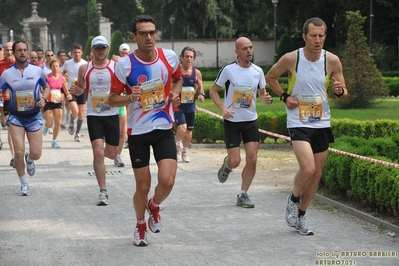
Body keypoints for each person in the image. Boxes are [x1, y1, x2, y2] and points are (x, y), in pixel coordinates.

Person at [265, 17, 348, 235]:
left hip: (322, 121)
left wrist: (340, 91)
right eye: (313, 35)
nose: (318, 40)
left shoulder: (332, 61)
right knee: (308, 168)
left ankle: (301, 216)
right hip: (298, 121)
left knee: (317, 173)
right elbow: (271, 77)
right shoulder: (292, 58)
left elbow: (342, 91)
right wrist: (284, 97)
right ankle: (293, 199)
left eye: (321, 36)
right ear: (304, 36)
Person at [108, 14, 182, 247]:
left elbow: (179, 79)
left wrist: (175, 93)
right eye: (143, 33)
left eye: (152, 32)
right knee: (143, 186)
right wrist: (130, 97)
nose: (149, 37)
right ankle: (140, 224)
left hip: (163, 126)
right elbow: (111, 99)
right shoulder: (125, 64)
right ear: (134, 36)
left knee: (167, 181)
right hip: (138, 130)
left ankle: (154, 206)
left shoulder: (169, 57)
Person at [209, 37, 273, 209]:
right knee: (235, 161)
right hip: (232, 120)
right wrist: (222, 108)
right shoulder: (229, 70)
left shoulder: (258, 71)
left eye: (250, 48)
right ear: (237, 52)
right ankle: (227, 166)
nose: (249, 51)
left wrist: (266, 98)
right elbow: (213, 91)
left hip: (250, 120)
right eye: (244, 48)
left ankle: (243, 194)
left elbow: (261, 93)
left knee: (252, 159)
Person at [69, 36, 119, 206]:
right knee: (98, 152)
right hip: (94, 114)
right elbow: (82, 87)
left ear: (108, 48)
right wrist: (77, 90)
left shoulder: (115, 66)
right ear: (92, 49)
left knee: (111, 154)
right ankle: (103, 191)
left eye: (103, 47)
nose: (100, 50)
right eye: (97, 47)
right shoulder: (84, 68)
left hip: (111, 113)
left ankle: (103, 156)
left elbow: (124, 86)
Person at [0, 40, 50, 196]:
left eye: (24, 50)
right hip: (16, 117)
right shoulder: (6, 74)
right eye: (19, 50)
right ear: (14, 53)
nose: (22, 52)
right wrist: (3, 112)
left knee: (36, 153)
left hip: (34, 116)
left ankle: (30, 158)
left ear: (28, 52)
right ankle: (23, 183)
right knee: (18, 152)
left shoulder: (37, 71)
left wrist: (44, 99)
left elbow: (46, 87)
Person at [174, 46, 205, 163]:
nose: (189, 59)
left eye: (191, 57)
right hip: (178, 105)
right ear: (181, 58)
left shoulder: (196, 73)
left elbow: (201, 86)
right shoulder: (176, 72)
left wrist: (201, 94)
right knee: (182, 127)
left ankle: (185, 150)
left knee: (189, 131)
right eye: (186, 56)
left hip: (190, 105)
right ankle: (178, 146)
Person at [43, 58, 72, 148]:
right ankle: (47, 127)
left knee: (58, 122)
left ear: (59, 67)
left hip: (58, 102)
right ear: (50, 67)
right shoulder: (47, 77)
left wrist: (68, 95)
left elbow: (65, 89)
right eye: (53, 66)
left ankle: (54, 140)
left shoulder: (62, 78)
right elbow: (42, 88)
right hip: (48, 102)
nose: (55, 68)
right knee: (50, 122)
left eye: (57, 66)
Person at [63, 44, 87, 142]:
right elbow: (63, 74)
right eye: (75, 52)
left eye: (78, 52)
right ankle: (72, 120)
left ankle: (77, 133)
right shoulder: (67, 63)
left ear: (81, 53)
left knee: (81, 114)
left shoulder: (85, 64)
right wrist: (65, 76)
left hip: (82, 90)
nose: (77, 54)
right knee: (75, 111)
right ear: (72, 53)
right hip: (71, 90)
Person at [113, 43, 131, 167]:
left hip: (122, 102)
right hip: (110, 102)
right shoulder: (114, 64)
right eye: (123, 53)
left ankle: (117, 156)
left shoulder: (132, 66)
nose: (125, 55)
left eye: (127, 53)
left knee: (121, 131)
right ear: (119, 53)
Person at [0, 42, 16, 168]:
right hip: (6, 100)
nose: (9, 52)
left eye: (11, 49)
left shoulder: (21, 63)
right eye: (7, 50)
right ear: (3, 51)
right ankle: (14, 156)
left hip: (21, 99)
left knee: (21, 128)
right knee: (10, 128)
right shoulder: (0, 65)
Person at [57, 49, 70, 129]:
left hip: (67, 86)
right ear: (58, 57)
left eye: (64, 56)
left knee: (67, 104)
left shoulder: (69, 65)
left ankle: (68, 116)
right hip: (60, 87)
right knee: (61, 103)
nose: (62, 57)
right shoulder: (57, 65)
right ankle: (63, 121)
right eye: (61, 56)